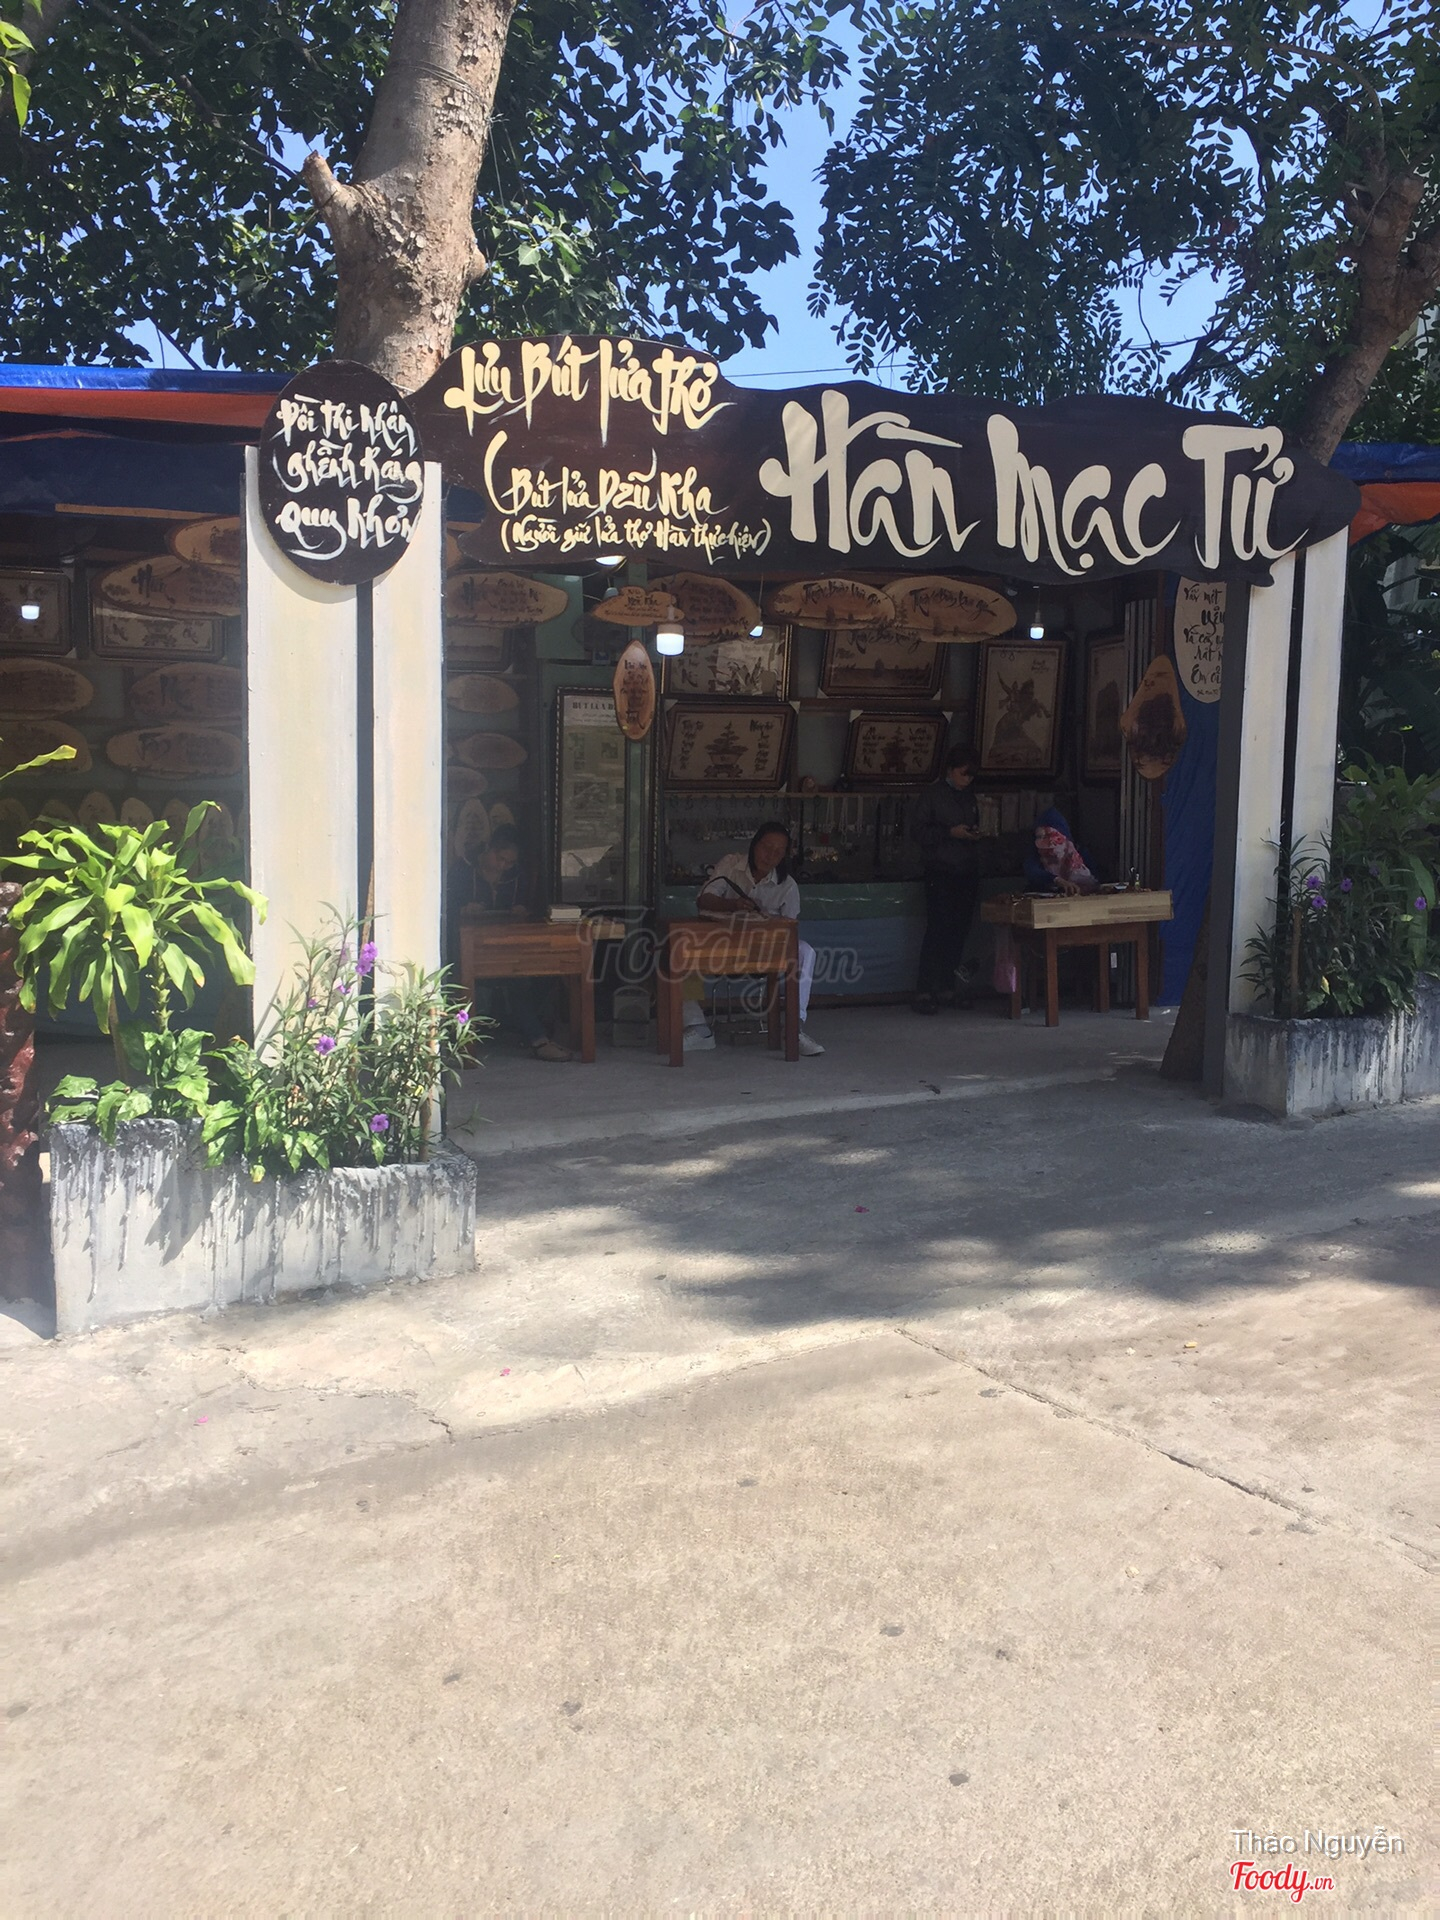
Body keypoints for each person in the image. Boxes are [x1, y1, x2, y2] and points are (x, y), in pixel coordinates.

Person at [688, 821, 824, 1057]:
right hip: (722, 944)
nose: (770, 856)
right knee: (677, 950)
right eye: (766, 847)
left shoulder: (787, 886)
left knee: (804, 951)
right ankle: (698, 1029)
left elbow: (790, 931)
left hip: (765, 951)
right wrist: (733, 905)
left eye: (778, 852)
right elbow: (704, 899)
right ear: (754, 844)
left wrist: (768, 923)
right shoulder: (731, 864)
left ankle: (794, 1028)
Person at [447, 824, 573, 1063]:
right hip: (470, 948)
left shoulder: (518, 875)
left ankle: (526, 1027)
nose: (503, 866)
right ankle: (538, 1039)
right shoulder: (462, 870)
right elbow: (444, 907)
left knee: (546, 972)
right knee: (517, 979)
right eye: (500, 859)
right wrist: (463, 909)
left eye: (510, 862)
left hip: (510, 944)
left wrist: (522, 910)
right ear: (489, 849)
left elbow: (531, 908)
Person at [910, 746, 985, 1014]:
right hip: (940, 870)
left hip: (966, 869)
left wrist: (974, 833)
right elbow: (918, 832)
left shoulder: (969, 796)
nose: (968, 779)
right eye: (964, 774)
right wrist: (949, 832)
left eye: (972, 775)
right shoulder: (932, 795)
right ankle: (924, 990)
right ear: (950, 770)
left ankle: (946, 987)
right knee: (938, 930)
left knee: (959, 930)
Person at [1025, 807, 1100, 896]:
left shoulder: (1081, 852)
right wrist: (1057, 880)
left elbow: (1096, 877)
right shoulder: (1035, 856)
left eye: (1050, 835)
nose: (1045, 842)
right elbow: (1033, 872)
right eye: (1039, 837)